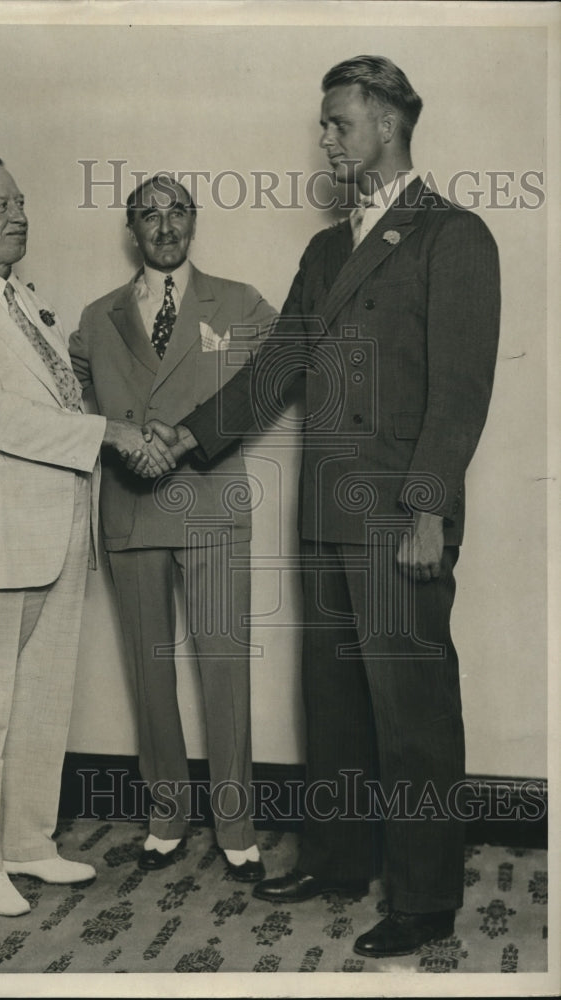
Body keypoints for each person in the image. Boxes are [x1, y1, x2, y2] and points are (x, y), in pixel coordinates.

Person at [139, 57, 501, 957]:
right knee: (334, 703)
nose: (326, 138)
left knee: (413, 711)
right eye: (324, 124)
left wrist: (426, 509)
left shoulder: (451, 236)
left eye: (340, 122)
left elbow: (461, 391)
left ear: (387, 122)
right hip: (324, 515)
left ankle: (425, 899)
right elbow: (275, 372)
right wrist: (187, 436)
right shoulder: (328, 248)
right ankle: (341, 859)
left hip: (398, 518)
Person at [0, 154, 175, 917]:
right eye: (0, 204)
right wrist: (114, 435)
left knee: (44, 700)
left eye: (21, 200)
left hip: (58, 531)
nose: (19, 214)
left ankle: (27, 842)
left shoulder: (24, 301)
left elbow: (57, 399)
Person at [69, 175, 277, 881]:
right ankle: (165, 816)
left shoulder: (241, 303)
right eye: (148, 214)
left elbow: (270, 382)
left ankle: (237, 825)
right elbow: (70, 409)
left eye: (177, 211)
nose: (164, 226)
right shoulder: (96, 319)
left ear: (195, 221)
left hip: (211, 503)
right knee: (148, 672)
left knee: (224, 670)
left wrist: (186, 437)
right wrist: (126, 440)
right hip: (130, 511)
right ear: (131, 229)